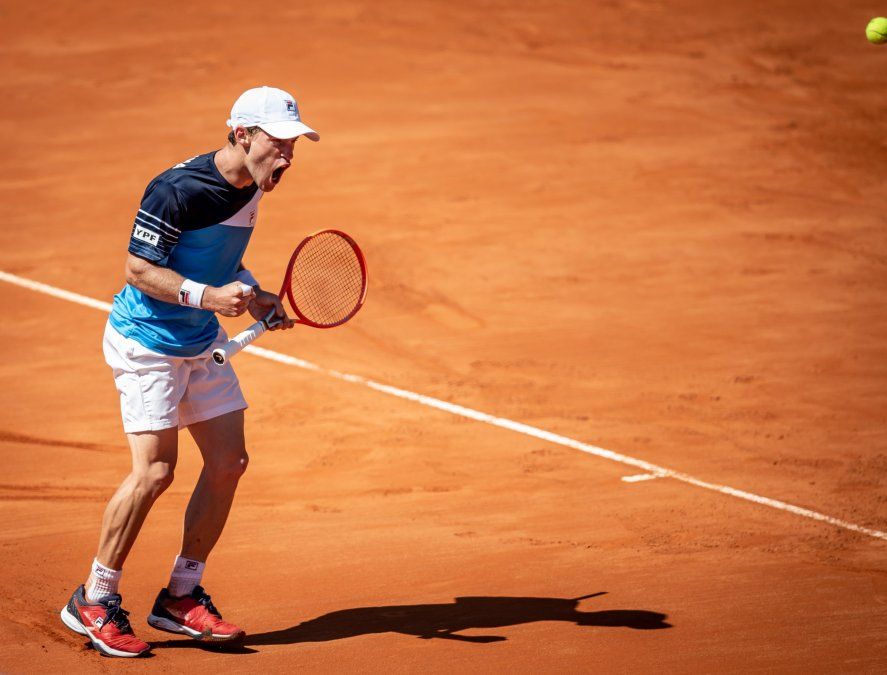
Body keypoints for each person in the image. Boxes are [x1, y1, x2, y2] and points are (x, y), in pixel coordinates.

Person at [59, 86, 318, 658]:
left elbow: (217, 260)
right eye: (278, 144)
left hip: (199, 342)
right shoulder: (177, 190)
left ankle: (180, 597)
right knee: (154, 473)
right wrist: (208, 297)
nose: (287, 157)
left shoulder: (251, 186)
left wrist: (251, 297)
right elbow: (137, 269)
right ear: (242, 135)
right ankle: (94, 599)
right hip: (147, 343)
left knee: (229, 463)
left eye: (293, 146)